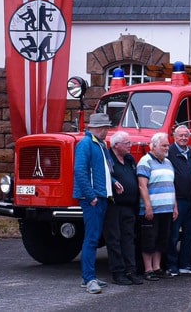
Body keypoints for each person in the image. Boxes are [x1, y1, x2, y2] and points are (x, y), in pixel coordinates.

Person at [73, 112, 119, 294]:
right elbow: (80, 171)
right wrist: (90, 196)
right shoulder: (86, 144)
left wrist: (113, 182)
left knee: (93, 237)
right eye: (105, 128)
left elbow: (104, 170)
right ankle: (89, 279)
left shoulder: (98, 144)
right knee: (91, 239)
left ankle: (89, 277)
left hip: (99, 197)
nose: (107, 131)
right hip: (93, 199)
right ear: (98, 129)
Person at [137, 132, 178, 281]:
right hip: (151, 210)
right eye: (164, 145)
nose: (167, 148)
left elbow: (171, 185)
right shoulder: (145, 161)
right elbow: (142, 186)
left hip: (166, 209)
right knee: (149, 239)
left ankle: (157, 267)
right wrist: (148, 207)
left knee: (162, 239)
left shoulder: (168, 162)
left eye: (167, 145)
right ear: (154, 146)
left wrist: (175, 207)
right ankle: (148, 269)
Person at [104, 131, 142, 285]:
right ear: (116, 145)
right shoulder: (107, 158)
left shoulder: (129, 158)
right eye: (127, 143)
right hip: (114, 206)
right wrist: (113, 181)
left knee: (129, 239)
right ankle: (118, 273)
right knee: (114, 239)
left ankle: (131, 271)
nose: (130, 146)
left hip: (129, 206)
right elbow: (102, 174)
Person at [166, 125, 191, 276]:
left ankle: (185, 263)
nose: (184, 138)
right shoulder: (170, 152)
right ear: (174, 137)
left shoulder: (189, 152)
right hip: (177, 200)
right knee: (173, 234)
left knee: (189, 233)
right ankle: (171, 265)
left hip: (190, 199)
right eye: (181, 136)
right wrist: (174, 203)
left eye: (186, 136)